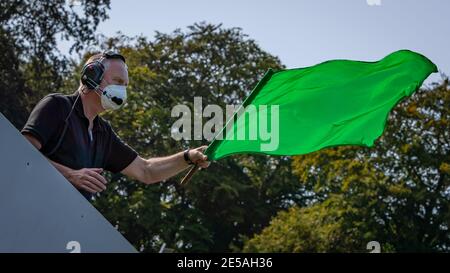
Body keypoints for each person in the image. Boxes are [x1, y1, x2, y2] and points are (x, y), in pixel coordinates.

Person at [21, 51, 209, 200]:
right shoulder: (57, 105)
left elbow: (146, 171)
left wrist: (188, 157)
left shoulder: (104, 133)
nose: (122, 90)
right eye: (118, 82)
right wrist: (70, 175)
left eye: (125, 85)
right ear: (91, 75)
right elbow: (20, 152)